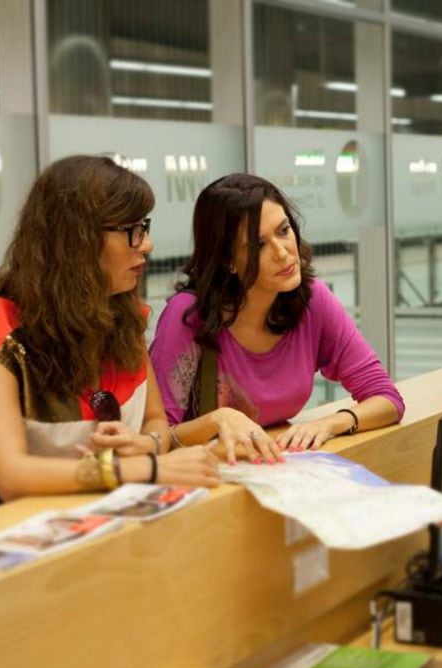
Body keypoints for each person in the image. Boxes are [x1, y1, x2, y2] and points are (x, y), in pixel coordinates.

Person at [0, 155, 219, 514]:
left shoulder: (123, 313)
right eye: (132, 229)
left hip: (118, 521)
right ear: (77, 240)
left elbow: (155, 421)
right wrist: (146, 467)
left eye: (144, 226)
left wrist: (145, 445)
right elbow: (10, 475)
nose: (147, 244)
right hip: (34, 533)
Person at [150, 173, 404, 465]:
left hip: (275, 473)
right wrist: (216, 421)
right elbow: (158, 437)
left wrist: (330, 423)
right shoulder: (189, 315)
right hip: (206, 484)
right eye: (259, 245)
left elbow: (387, 399)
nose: (283, 252)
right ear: (227, 260)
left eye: (283, 230)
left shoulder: (312, 300)